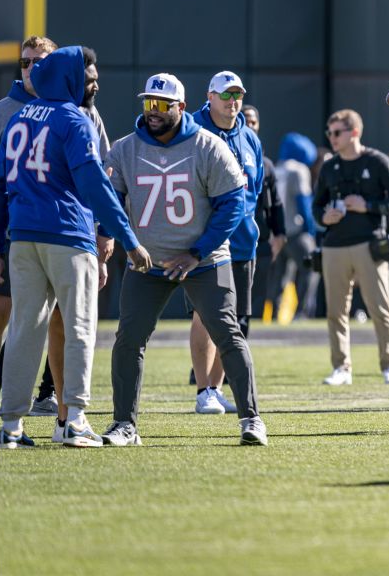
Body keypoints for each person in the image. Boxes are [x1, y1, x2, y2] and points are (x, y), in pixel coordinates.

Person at [0, 45, 150, 448]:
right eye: (87, 73)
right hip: (66, 235)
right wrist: (128, 240)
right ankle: (73, 420)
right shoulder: (74, 119)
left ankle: (11, 426)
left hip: (23, 239)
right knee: (79, 327)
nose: (93, 80)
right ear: (67, 76)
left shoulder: (18, 118)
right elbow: (94, 186)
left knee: (25, 329)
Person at [103, 73, 267, 446]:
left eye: (162, 105)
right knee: (129, 339)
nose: (154, 111)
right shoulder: (125, 148)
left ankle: (251, 419)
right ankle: (124, 424)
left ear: (180, 106)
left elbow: (233, 204)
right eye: (148, 103)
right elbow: (109, 202)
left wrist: (197, 252)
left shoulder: (208, 146)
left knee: (228, 333)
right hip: (148, 261)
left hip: (204, 260)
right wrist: (124, 242)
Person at [187, 72, 267, 415]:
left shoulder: (250, 138)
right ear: (210, 96)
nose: (232, 101)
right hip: (205, 242)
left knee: (235, 319)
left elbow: (256, 188)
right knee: (205, 315)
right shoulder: (192, 131)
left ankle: (216, 389)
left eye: (237, 95)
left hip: (244, 241)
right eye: (225, 95)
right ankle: (203, 388)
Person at [314, 109, 389, 386]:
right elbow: (316, 206)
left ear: (354, 132)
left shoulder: (377, 161)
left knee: (381, 309)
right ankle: (341, 367)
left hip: (369, 244)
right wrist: (324, 217)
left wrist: (368, 206)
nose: (332, 138)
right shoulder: (329, 167)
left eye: (337, 132)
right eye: (329, 133)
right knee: (335, 312)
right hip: (334, 246)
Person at [0, 35, 60, 416]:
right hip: (11, 232)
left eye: (39, 61)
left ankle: (51, 394)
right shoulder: (0, 113)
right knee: (2, 312)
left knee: (59, 318)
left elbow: (101, 169)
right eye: (25, 61)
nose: (31, 68)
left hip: (61, 233)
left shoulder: (73, 109)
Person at [241, 105, 287, 321]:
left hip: (262, 239)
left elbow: (276, 203)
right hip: (237, 239)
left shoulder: (265, 164)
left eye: (254, 122)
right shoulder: (228, 155)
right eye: (246, 120)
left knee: (258, 295)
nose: (250, 125)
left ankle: (254, 341)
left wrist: (280, 234)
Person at [271, 132, 321, 320]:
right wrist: (310, 230)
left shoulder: (276, 168)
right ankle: (303, 313)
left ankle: (274, 315)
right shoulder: (299, 170)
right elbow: (304, 204)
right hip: (296, 231)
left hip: (278, 233)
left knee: (281, 277)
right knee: (312, 268)